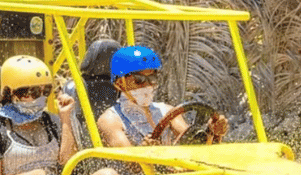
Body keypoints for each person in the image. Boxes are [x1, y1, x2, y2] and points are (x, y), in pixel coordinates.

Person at [97, 45, 228, 148]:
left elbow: (191, 143)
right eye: (139, 79)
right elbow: (130, 163)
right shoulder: (110, 120)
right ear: (120, 83)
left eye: (152, 78)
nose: (147, 85)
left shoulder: (166, 111)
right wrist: (144, 151)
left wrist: (212, 132)